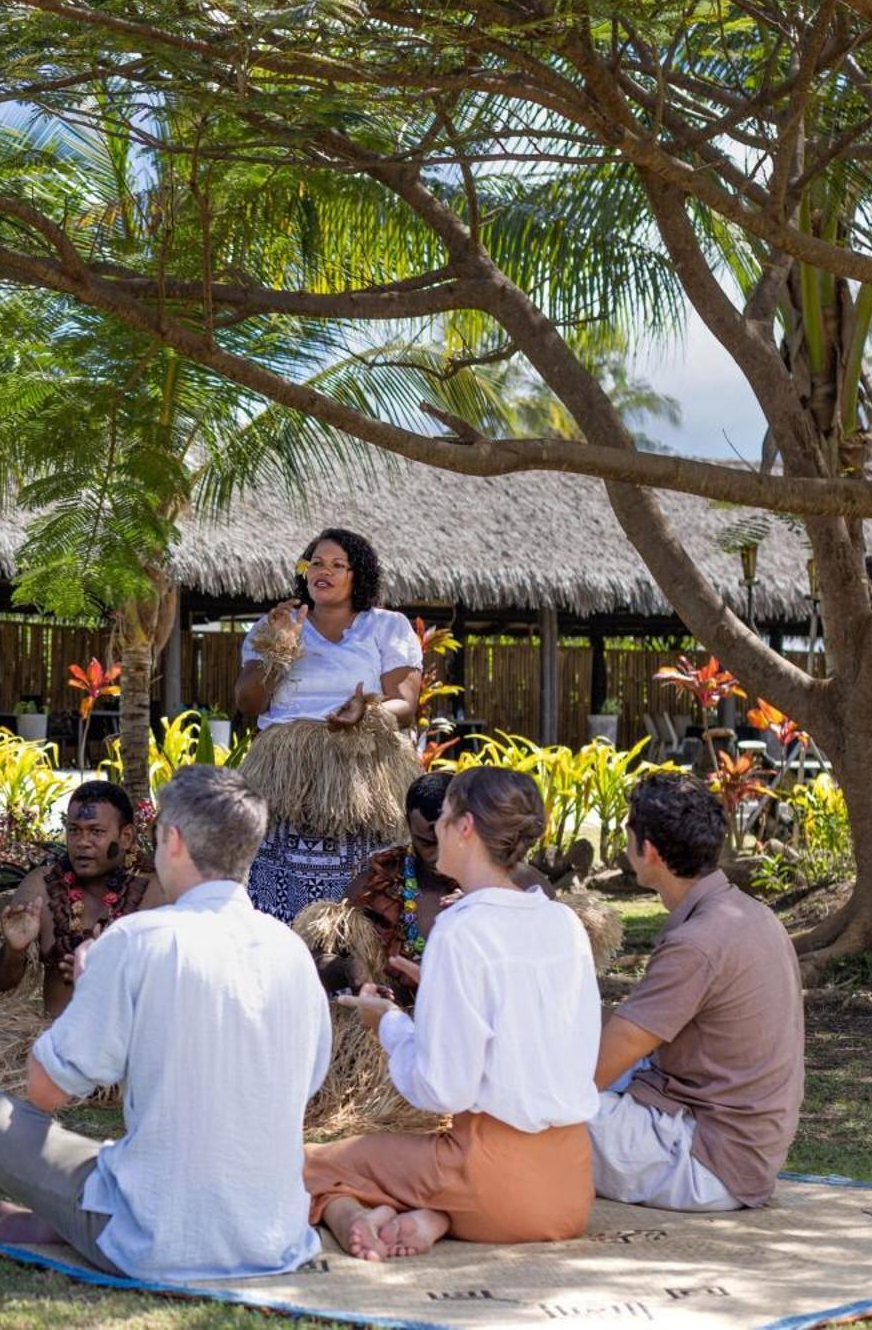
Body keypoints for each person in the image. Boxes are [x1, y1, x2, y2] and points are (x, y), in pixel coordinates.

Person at [0, 766, 331, 1282]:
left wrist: (92, 980)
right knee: (130, 1153)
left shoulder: (137, 940)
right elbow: (308, 1084)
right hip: (274, 1235)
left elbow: (45, 1091)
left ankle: (79, 1218)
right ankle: (66, 1217)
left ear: (171, 839)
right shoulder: (292, 950)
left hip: (155, 1238)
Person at [304, 768, 600, 1260]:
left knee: (305, 1163)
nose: (432, 830)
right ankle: (432, 1215)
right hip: (570, 1186)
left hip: (489, 1177)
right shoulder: (562, 922)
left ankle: (359, 1212)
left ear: (465, 827)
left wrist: (390, 1026)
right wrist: (442, 993)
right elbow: (540, 1024)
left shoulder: (461, 929)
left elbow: (444, 1088)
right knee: (382, 1163)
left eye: (442, 818)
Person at [590, 772, 804, 1212]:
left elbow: (596, 1069)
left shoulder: (697, 943)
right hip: (742, 1150)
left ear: (648, 851)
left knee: (521, 1107)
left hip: (707, 1161)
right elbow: (622, 1026)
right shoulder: (749, 913)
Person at [234, 528, 422, 922]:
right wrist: (280, 645)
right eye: (316, 563)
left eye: (339, 565)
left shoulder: (387, 627)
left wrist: (368, 711)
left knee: (362, 888)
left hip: (361, 769)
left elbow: (405, 703)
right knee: (276, 880)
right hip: (284, 773)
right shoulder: (274, 625)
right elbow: (249, 701)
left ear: (359, 575)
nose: (325, 571)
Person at [313, 770, 555, 1002]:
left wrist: (489, 912)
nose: (436, 855)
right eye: (426, 842)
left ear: (467, 826)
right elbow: (315, 959)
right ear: (408, 825)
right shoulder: (374, 883)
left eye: (445, 839)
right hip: (387, 1033)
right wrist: (348, 970)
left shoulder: (523, 885)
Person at [0, 781, 164, 1018]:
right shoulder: (41, 888)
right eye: (74, 830)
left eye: (96, 831)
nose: (82, 842)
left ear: (126, 836)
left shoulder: (157, 891)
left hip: (133, 1045)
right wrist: (14, 950)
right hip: (56, 1043)